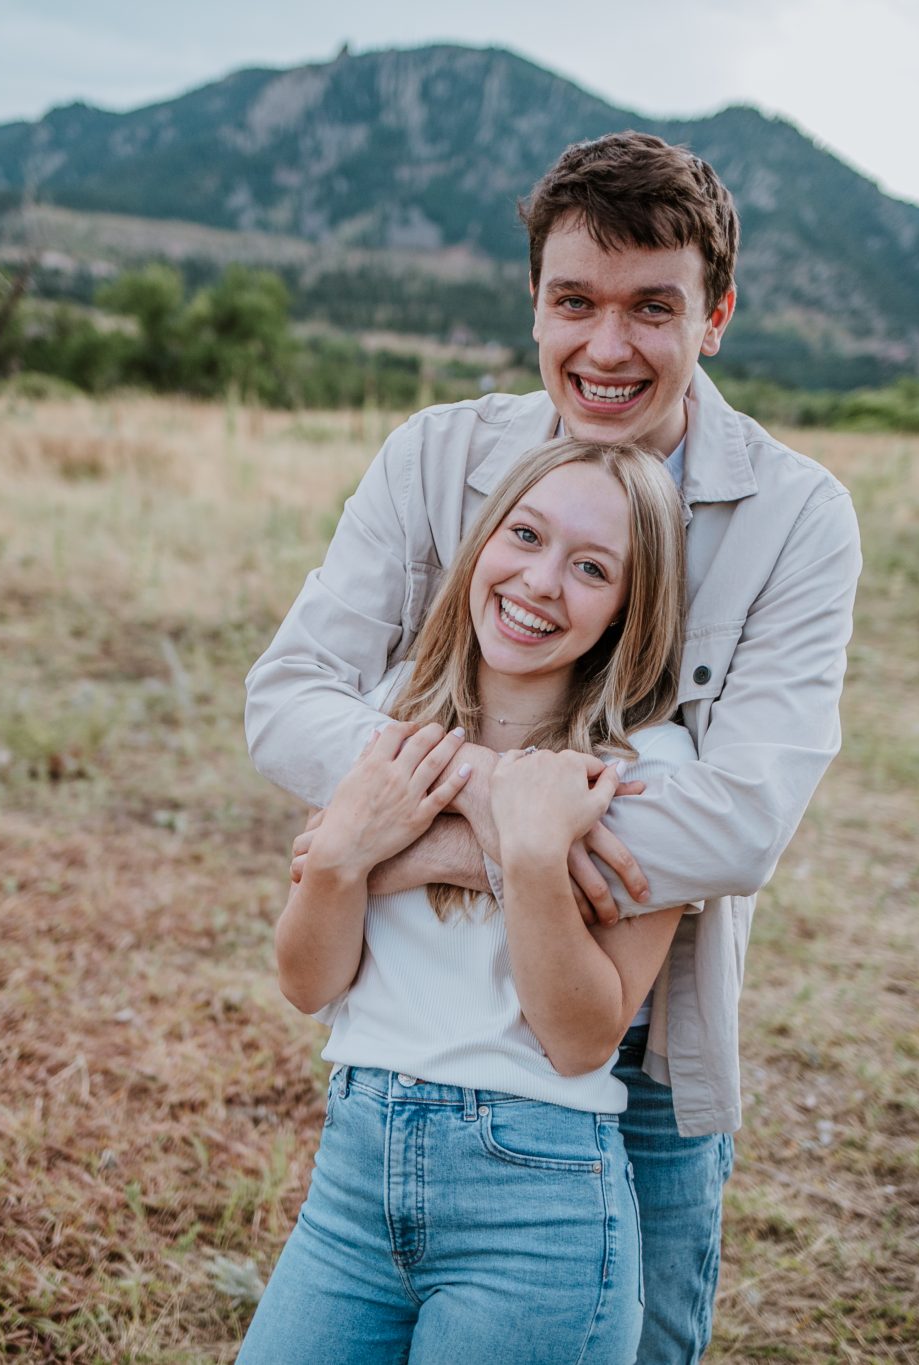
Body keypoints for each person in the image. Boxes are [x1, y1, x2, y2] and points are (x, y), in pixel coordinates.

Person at [245, 131, 862, 1362]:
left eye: (653, 308)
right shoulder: (438, 455)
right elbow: (288, 700)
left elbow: (735, 824)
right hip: (400, 1066)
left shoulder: (797, 516)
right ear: (533, 302)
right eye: (573, 302)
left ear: (715, 316)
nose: (607, 346)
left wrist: (396, 839)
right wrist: (505, 803)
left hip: (637, 1058)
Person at [238, 437, 693, 1364]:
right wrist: (342, 864)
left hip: (537, 1204)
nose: (539, 582)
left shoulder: (646, 773)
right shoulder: (389, 721)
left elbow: (578, 1037)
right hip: (354, 1178)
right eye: (524, 534)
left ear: (623, 611)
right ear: (483, 538)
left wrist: (527, 859)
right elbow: (305, 979)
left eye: (592, 567)